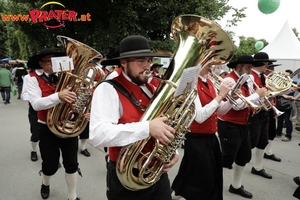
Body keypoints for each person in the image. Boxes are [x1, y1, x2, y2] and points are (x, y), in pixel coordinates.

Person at [89, 35, 178, 200]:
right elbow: (97, 134)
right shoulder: (108, 89)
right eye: (140, 61)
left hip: (156, 171)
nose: (147, 67)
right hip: (126, 175)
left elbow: (164, 123)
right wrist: (147, 128)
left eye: (149, 61)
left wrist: (173, 150)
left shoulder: (152, 88)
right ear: (124, 62)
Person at [171, 63, 233, 200]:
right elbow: (199, 117)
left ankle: (178, 194)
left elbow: (220, 110)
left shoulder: (209, 82)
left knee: (195, 173)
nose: (212, 68)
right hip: (196, 138)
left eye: (213, 64)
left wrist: (230, 100)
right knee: (205, 179)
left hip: (211, 138)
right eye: (209, 65)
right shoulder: (191, 84)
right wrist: (221, 95)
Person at [27, 48, 81, 200]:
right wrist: (58, 96)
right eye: (48, 62)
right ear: (40, 64)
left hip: (68, 126)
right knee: (49, 165)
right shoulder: (32, 78)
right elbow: (36, 104)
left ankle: (72, 196)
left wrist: (83, 111)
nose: (52, 65)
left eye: (55, 61)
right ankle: (45, 183)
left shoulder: (68, 77)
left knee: (72, 164)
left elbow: (78, 98)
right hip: (47, 127)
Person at [217, 55, 267, 199]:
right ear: (238, 67)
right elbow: (238, 106)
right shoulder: (229, 80)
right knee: (226, 160)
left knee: (244, 156)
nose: (251, 71)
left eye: (251, 68)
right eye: (248, 67)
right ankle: (208, 183)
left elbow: (250, 100)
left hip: (243, 124)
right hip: (229, 124)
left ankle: (236, 186)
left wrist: (261, 97)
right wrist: (256, 95)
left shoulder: (246, 79)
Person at [248, 52, 275, 180]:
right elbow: (251, 94)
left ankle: (257, 167)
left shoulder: (263, 76)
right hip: (254, 112)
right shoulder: (250, 76)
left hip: (264, 112)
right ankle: (231, 158)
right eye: (266, 63)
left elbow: (270, 93)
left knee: (263, 140)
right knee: (251, 141)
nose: (268, 65)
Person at [22, 67, 43, 161]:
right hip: (35, 108)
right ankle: (33, 150)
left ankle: (49, 154)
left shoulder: (54, 75)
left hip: (51, 108)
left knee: (50, 133)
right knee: (35, 132)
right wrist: (37, 99)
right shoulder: (29, 77)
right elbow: (24, 94)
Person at [263, 62, 282, 162]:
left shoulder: (270, 80)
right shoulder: (264, 80)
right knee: (258, 137)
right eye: (271, 68)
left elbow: (281, 91)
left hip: (271, 108)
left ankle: (268, 152)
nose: (273, 71)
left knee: (272, 132)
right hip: (262, 109)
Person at [276, 69, 295, 142]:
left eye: (288, 75)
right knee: (279, 119)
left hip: (288, 103)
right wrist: (283, 95)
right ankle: (278, 132)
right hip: (280, 102)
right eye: (286, 74)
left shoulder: (293, 83)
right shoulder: (280, 82)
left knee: (288, 120)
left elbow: (295, 89)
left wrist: (294, 97)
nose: (286, 76)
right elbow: (276, 91)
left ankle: (288, 135)